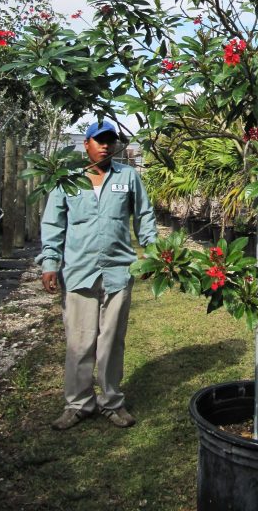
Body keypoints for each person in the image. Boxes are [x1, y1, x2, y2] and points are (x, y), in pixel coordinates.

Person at [37, 120, 157, 430]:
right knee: (79, 341)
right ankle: (78, 404)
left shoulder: (128, 176)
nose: (105, 145)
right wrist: (50, 263)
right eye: (98, 140)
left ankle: (112, 402)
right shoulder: (68, 180)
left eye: (110, 140)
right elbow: (53, 224)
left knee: (112, 341)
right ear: (86, 144)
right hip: (78, 272)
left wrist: (154, 255)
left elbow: (144, 216)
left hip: (118, 271)